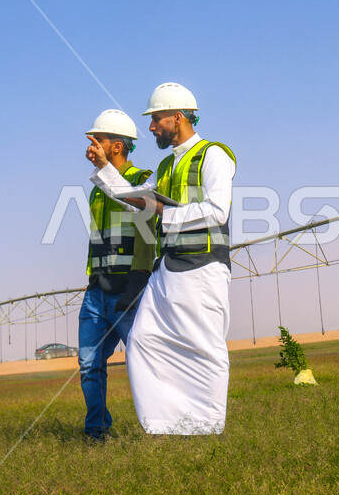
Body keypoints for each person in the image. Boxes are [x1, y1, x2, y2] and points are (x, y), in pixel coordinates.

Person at [89, 82, 235, 435]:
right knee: (143, 342)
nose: (152, 127)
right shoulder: (167, 165)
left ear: (178, 117)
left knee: (206, 348)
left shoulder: (214, 155)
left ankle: (209, 427)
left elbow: (217, 210)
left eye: (156, 119)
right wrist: (107, 168)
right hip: (168, 270)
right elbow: (134, 198)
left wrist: (163, 216)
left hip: (203, 268)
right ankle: (168, 425)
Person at [79, 109, 154, 442]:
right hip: (97, 289)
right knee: (89, 364)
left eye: (100, 139)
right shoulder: (97, 187)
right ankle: (96, 430)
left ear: (118, 146)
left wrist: (136, 284)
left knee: (144, 363)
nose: (93, 145)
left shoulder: (143, 180)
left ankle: (160, 426)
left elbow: (139, 212)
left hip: (128, 290)